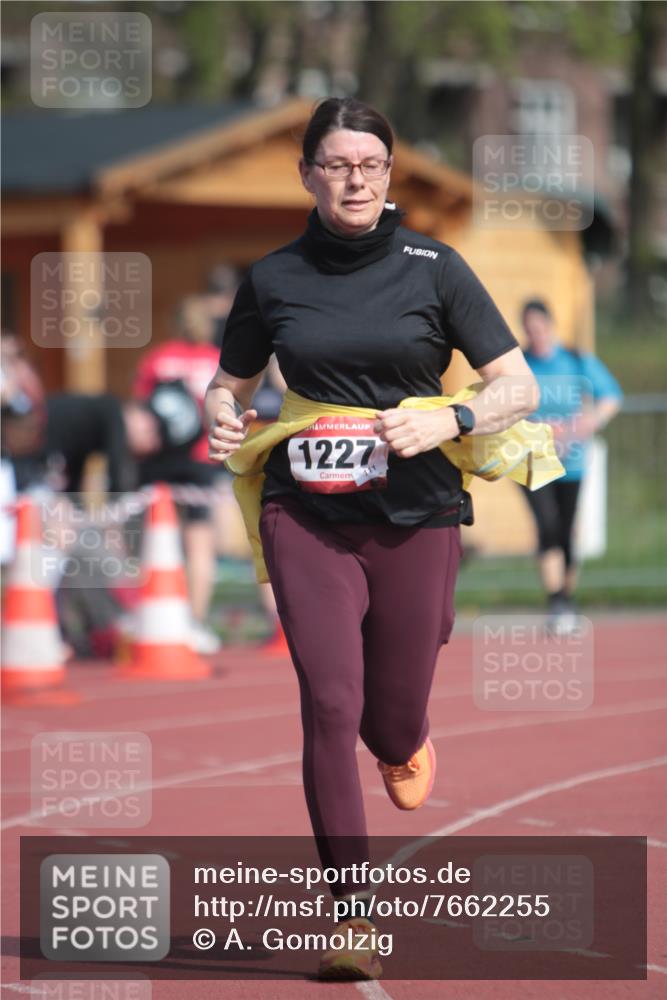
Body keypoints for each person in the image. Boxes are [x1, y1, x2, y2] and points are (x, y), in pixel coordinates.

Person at [204, 98, 540, 981]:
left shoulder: (435, 266)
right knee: (326, 703)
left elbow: (518, 386)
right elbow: (228, 386)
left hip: (417, 509)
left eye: (372, 164)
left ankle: (405, 738)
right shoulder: (273, 277)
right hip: (304, 510)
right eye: (338, 163)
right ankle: (352, 917)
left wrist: (451, 419)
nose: (356, 178)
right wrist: (221, 421)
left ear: (388, 174)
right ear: (307, 172)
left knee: (388, 719)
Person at [520, 299, 622, 634]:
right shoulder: (519, 364)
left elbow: (610, 396)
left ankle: (566, 596)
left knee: (566, 529)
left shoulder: (576, 361)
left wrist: (587, 423)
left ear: (550, 325)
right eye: (530, 328)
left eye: (540, 326)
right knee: (546, 525)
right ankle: (555, 601)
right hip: (532, 462)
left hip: (572, 462)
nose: (536, 333)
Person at [133, 295, 223, 654]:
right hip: (200, 458)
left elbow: (141, 412)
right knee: (200, 544)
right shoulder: (217, 360)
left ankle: (150, 618)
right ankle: (196, 624)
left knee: (153, 540)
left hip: (159, 460)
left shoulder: (158, 359)